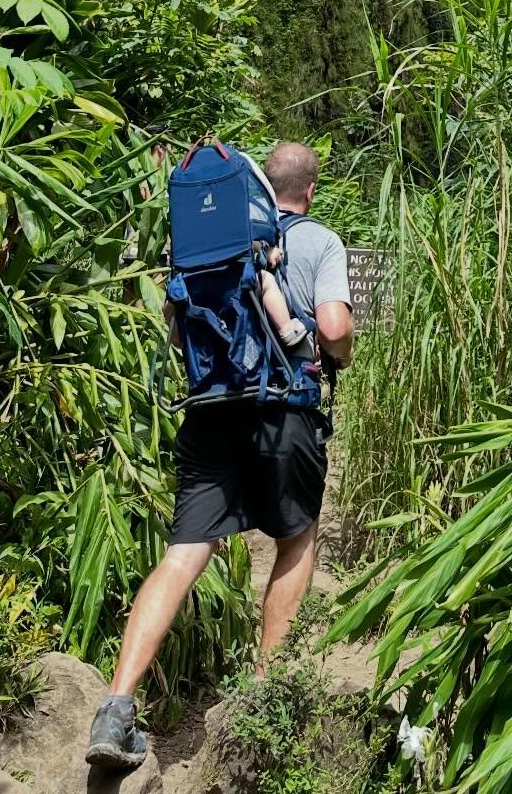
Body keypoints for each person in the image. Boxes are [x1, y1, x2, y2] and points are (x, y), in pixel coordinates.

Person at [86, 140, 354, 770]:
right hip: (283, 411)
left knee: (183, 555)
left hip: (209, 410)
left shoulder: (212, 241)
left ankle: (116, 706)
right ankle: (262, 700)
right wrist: (328, 349)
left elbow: (180, 329)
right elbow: (336, 330)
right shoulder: (318, 241)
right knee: (298, 539)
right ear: (309, 190)